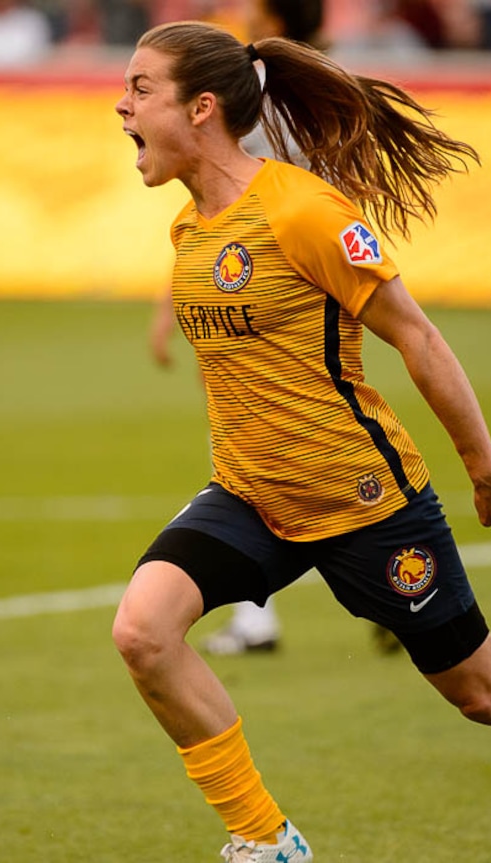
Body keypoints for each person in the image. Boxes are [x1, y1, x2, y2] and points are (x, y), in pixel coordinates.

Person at [113, 20, 491, 863]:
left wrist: (484, 469)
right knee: (142, 631)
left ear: (201, 109)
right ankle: (267, 840)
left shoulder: (303, 211)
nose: (119, 103)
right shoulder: (188, 230)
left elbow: (416, 337)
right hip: (252, 496)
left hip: (363, 503)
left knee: (489, 692)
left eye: (140, 88)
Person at [147, 0, 326, 657]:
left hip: (251, 285)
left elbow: (222, 201)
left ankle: (261, 615)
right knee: (314, 433)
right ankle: (390, 581)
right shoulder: (320, 83)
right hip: (307, 289)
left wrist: (176, 303)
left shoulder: (253, 100)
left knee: (254, 448)